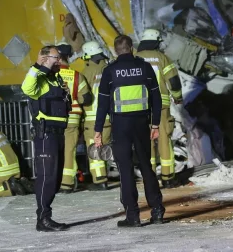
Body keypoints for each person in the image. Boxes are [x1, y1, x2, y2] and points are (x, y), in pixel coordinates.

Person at [94, 35, 166, 227]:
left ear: (116, 50)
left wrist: (98, 130)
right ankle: (157, 210)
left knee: (125, 170)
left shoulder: (110, 71)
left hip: (120, 126)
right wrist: (156, 124)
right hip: (142, 124)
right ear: (131, 48)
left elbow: (102, 104)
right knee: (146, 167)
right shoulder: (145, 67)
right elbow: (156, 99)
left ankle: (133, 216)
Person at [21, 45, 71, 232]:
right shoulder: (38, 79)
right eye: (55, 58)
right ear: (44, 58)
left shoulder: (55, 80)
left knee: (55, 179)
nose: (59, 61)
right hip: (46, 134)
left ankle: (46, 216)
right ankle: (43, 219)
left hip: (58, 134)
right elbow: (26, 87)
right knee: (46, 177)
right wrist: (37, 67)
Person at [135, 28, 183, 188]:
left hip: (139, 108)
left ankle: (149, 177)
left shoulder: (134, 59)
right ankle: (168, 177)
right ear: (156, 42)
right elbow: (174, 82)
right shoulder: (162, 58)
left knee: (145, 141)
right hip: (160, 107)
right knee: (164, 139)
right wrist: (177, 97)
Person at [55, 41, 92, 192]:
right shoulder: (77, 76)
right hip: (72, 118)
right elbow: (86, 98)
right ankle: (66, 183)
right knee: (69, 150)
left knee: (54, 151)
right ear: (69, 57)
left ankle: (53, 181)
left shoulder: (50, 75)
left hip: (54, 120)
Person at [81, 41, 112, 190]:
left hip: (93, 118)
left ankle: (100, 181)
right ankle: (103, 177)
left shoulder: (87, 72)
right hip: (109, 118)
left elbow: (83, 96)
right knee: (104, 148)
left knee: (95, 149)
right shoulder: (108, 69)